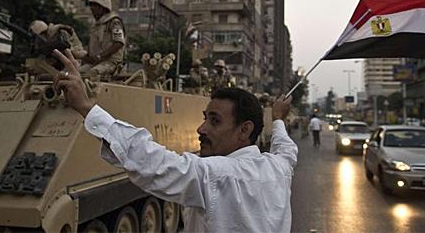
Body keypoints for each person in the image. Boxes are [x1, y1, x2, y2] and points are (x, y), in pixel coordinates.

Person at [52, 49, 298, 232]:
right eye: (205, 118)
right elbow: (286, 149)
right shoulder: (279, 168)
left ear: (244, 131)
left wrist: (87, 108)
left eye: (215, 120)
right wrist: (277, 119)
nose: (201, 129)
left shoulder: (217, 175)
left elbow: (154, 162)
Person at [79, 0, 126, 80]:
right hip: (96, 62)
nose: (92, 11)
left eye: (95, 8)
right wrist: (88, 56)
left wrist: (100, 56)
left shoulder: (114, 22)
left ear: (102, 8)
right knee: (78, 73)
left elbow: (119, 43)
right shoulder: (96, 25)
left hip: (111, 62)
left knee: (92, 73)